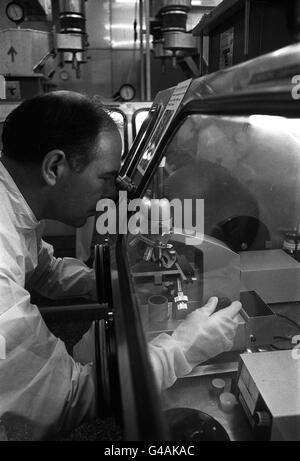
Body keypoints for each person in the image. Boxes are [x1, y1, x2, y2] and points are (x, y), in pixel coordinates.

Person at [0, 91, 241, 440]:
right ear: (55, 167)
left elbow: (43, 271)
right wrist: (183, 349)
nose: (113, 193)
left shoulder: (13, 205)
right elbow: (66, 398)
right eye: (106, 177)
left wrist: (114, 280)